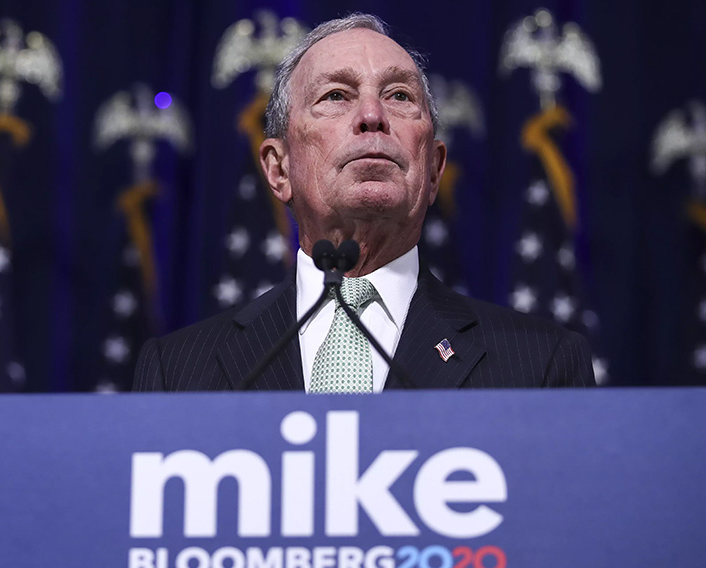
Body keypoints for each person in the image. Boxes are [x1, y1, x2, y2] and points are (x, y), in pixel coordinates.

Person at [133, 13, 595, 392]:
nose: (373, 117)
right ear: (278, 169)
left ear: (434, 169)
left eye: (398, 96)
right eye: (336, 95)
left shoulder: (541, 368)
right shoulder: (176, 375)